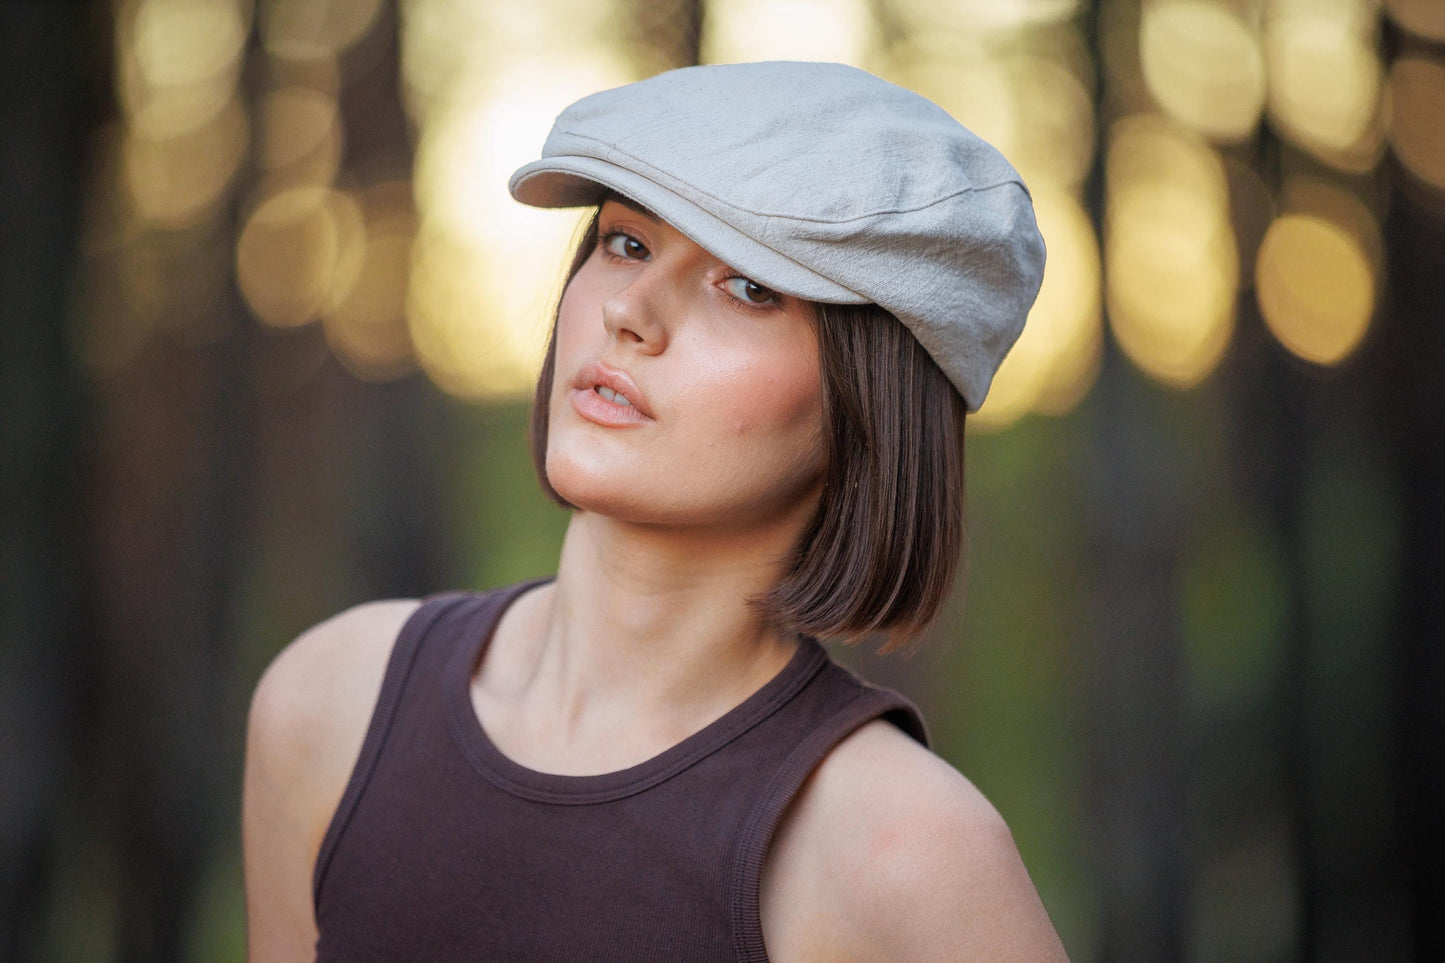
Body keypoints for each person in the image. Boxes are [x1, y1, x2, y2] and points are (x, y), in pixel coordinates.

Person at [242, 60, 1068, 962]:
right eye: (625, 243)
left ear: (873, 402)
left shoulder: (905, 855)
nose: (630, 311)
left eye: (749, 286)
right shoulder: (330, 702)